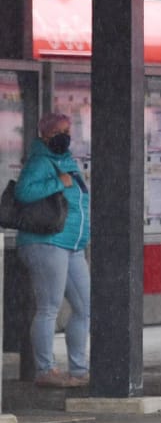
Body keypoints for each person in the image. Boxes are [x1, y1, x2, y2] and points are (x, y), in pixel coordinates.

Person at [17, 113, 89, 388]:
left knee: (85, 307)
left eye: (68, 130)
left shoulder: (66, 160)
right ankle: (45, 369)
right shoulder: (39, 161)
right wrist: (59, 182)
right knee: (49, 307)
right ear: (44, 135)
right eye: (59, 131)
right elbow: (24, 192)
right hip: (46, 242)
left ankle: (79, 369)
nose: (65, 135)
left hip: (72, 244)